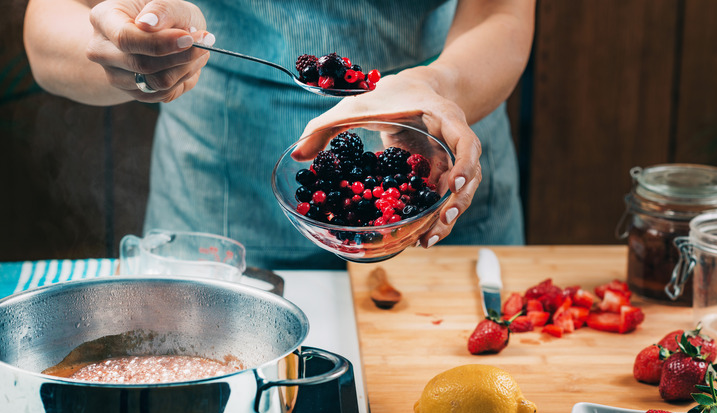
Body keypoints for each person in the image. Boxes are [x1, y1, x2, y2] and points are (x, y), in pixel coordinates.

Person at [24, 0, 535, 269]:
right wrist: (135, 52)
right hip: (225, 204)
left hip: (432, 156)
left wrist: (433, 83)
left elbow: (501, 13)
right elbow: (50, 23)